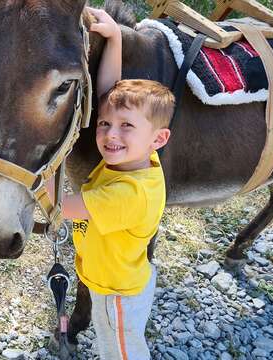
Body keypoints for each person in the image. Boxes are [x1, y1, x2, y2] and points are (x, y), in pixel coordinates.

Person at [49, 79, 174, 359]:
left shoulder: (129, 194)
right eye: (103, 123)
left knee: (119, 351)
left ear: (158, 139)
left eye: (126, 126)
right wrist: (114, 38)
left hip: (116, 295)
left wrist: (35, 173)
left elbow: (59, 206)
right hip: (120, 276)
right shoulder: (139, 159)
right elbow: (108, 88)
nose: (110, 134)